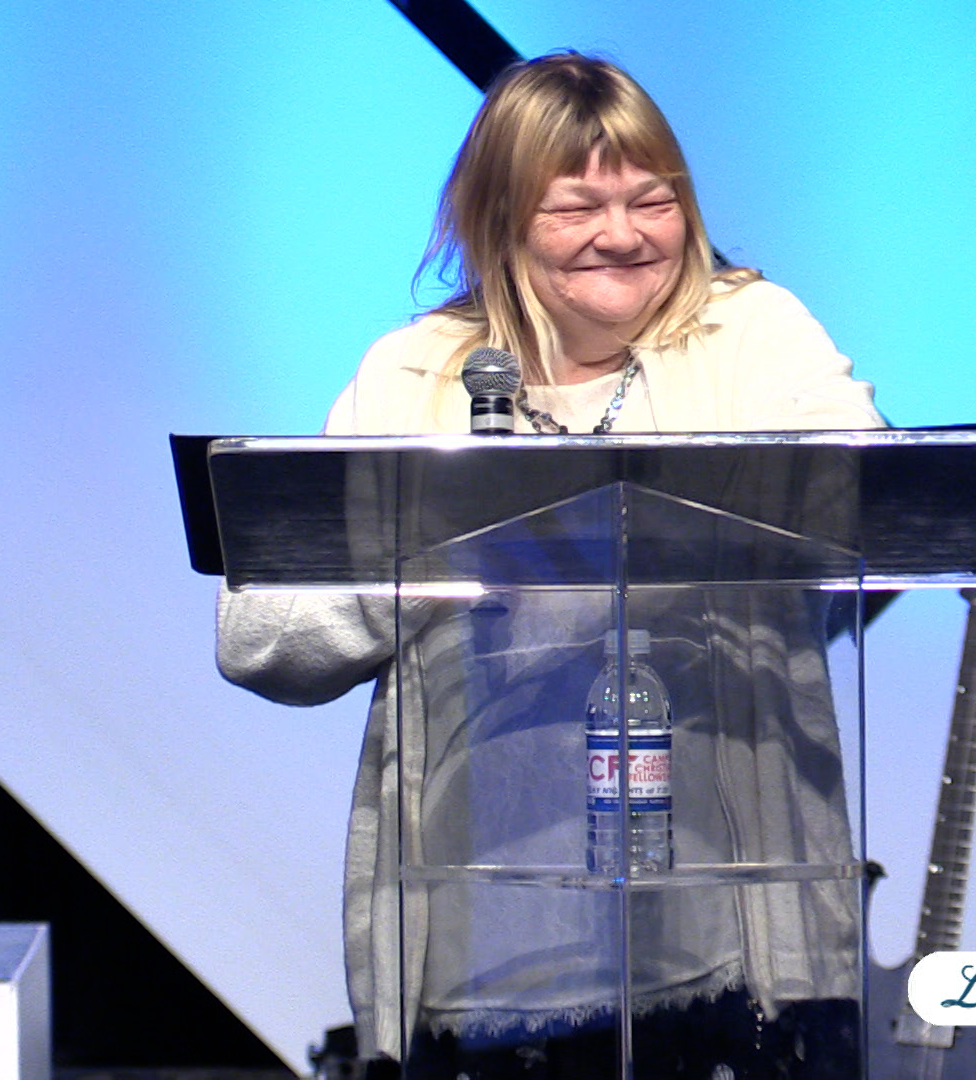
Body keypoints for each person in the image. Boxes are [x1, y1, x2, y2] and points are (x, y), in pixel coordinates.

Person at [219, 53, 884, 1079]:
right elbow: (260, 639)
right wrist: (439, 550)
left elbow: (871, 504)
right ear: (500, 219)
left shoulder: (750, 334)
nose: (623, 234)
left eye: (652, 201)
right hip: (489, 955)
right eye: (577, 208)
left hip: (737, 955)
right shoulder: (415, 374)